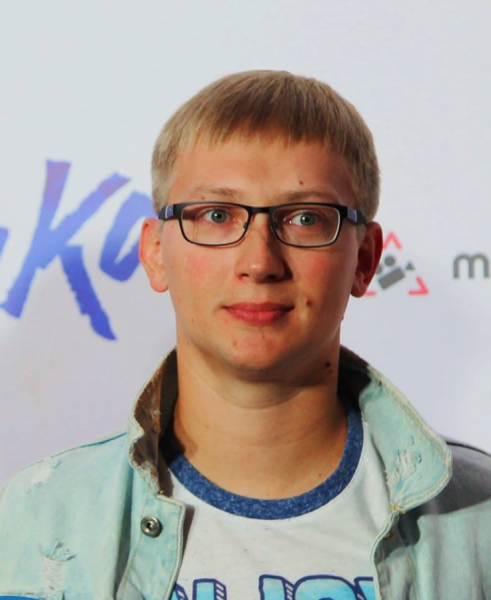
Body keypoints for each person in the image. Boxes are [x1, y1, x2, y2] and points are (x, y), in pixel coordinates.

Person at [0, 70, 490, 600]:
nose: (259, 262)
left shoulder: (479, 517)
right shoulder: (37, 519)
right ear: (155, 253)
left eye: (305, 218)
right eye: (216, 215)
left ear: (365, 259)